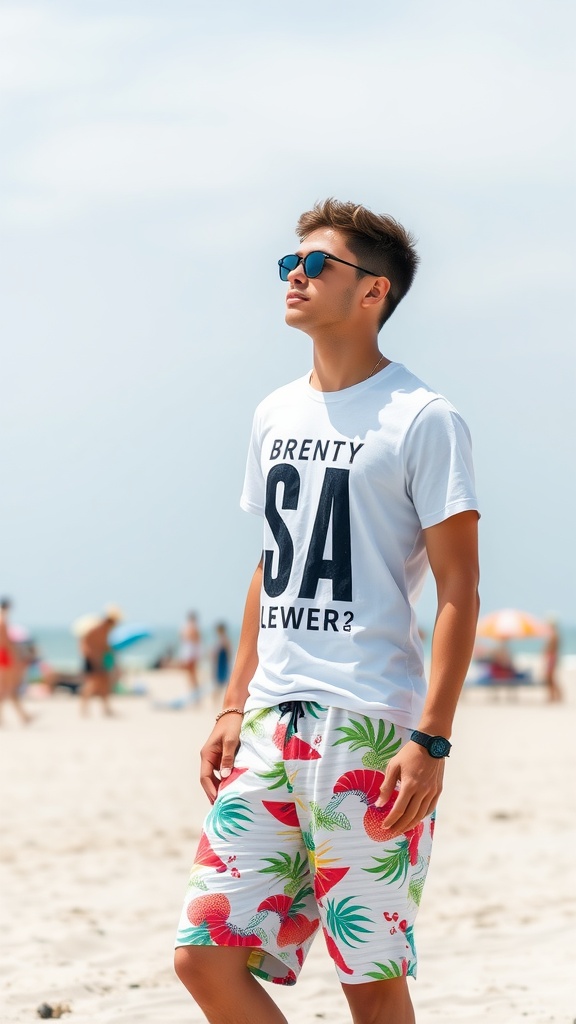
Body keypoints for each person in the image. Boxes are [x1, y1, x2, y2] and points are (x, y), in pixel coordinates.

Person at [174, 199, 480, 1024]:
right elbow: (273, 566)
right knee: (203, 959)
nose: (294, 276)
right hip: (272, 723)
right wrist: (235, 700)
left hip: (370, 726)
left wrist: (432, 739)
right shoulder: (274, 412)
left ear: (373, 291)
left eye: (316, 264)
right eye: (290, 263)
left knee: (369, 979)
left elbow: (459, 590)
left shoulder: (423, 418)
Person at [79, 605, 123, 716]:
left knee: (104, 683)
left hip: (100, 660)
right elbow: (84, 644)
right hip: (92, 660)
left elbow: (103, 646)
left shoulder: (105, 630)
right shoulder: (97, 628)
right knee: (92, 684)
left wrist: (110, 655)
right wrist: (92, 658)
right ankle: (84, 709)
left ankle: (106, 708)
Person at [0, 597, 33, 725]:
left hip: (3, 654)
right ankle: (23, 716)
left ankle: (24, 716)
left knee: (7, 688)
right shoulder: (3, 620)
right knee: (8, 687)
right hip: (5, 655)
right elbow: (6, 642)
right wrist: (16, 657)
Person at [178, 612, 202, 700]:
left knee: (192, 676)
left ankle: (195, 695)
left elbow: (193, 641)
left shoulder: (191, 628)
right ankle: (194, 694)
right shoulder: (191, 628)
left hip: (191, 654)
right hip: (190, 653)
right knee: (191, 676)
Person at [542, 618, 563, 702]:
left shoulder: (554, 635)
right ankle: (554, 696)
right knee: (550, 678)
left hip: (552, 658)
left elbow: (552, 648)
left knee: (550, 678)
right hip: (552, 657)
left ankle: (554, 696)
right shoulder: (554, 635)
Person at [212, 622, 232, 702]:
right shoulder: (221, 639)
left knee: (221, 683)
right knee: (220, 683)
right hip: (220, 663)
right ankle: (217, 699)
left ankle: (217, 699)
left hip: (222, 663)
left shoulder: (224, 639)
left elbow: (228, 652)